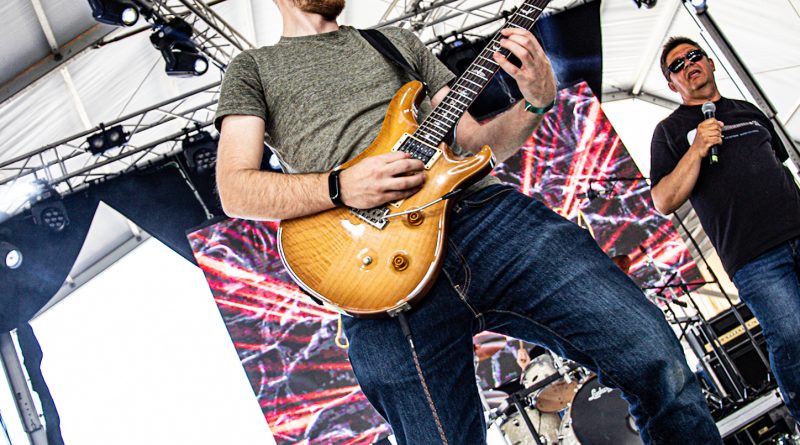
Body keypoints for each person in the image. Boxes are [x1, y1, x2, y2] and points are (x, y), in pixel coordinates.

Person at [214, 2, 723, 444]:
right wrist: (340, 186)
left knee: (654, 356)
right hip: (373, 275)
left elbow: (478, 146)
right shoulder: (253, 68)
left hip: (487, 220)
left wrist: (534, 101)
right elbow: (235, 189)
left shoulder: (395, 43)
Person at [650, 36, 800, 422]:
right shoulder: (670, 131)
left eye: (694, 56)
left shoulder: (749, 111)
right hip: (754, 257)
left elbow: (780, 165)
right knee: (792, 335)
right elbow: (663, 200)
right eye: (677, 65)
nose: (688, 65)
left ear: (711, 62)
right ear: (671, 84)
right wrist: (697, 149)